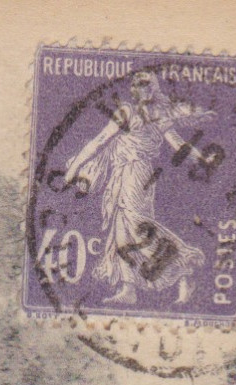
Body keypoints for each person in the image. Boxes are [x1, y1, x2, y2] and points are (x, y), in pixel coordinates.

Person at [62, 70, 211, 305]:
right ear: (134, 89)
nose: (142, 89)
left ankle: (184, 267)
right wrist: (75, 168)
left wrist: (201, 159)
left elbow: (179, 145)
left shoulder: (159, 117)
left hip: (138, 174)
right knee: (122, 226)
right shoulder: (127, 112)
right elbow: (100, 141)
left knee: (137, 227)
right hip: (122, 174)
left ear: (154, 89)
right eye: (138, 85)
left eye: (147, 85)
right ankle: (128, 288)